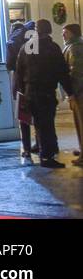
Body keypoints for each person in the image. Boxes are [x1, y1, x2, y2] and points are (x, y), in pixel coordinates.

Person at [15, 19, 75, 169]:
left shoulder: (26, 47)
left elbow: (19, 71)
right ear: (48, 30)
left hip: (29, 91)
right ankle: (47, 157)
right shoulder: (52, 48)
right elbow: (62, 72)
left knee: (39, 124)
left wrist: (20, 91)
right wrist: (70, 92)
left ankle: (48, 150)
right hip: (46, 92)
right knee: (46, 124)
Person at [6, 20, 35, 158]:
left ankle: (27, 148)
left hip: (20, 82)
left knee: (23, 117)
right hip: (35, 81)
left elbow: (9, 64)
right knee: (39, 115)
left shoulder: (14, 39)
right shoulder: (32, 37)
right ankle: (41, 144)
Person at [62, 23, 83, 166]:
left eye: (65, 33)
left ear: (72, 33)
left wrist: (72, 93)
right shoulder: (74, 46)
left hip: (80, 92)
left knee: (81, 123)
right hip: (78, 91)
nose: (63, 35)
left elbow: (76, 73)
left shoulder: (75, 48)